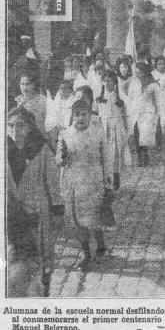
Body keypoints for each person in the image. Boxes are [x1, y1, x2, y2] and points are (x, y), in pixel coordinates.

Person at [7, 106, 58, 296]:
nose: (15, 131)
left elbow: (52, 181)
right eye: (10, 126)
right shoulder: (5, 150)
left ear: (30, 127)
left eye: (20, 125)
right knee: (17, 260)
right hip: (14, 216)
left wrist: (57, 209)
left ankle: (44, 289)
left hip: (38, 211)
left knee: (43, 255)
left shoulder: (42, 148)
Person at [56, 98, 109, 269]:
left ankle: (100, 246)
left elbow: (107, 157)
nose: (80, 118)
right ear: (72, 115)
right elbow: (59, 161)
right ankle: (86, 254)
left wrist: (109, 179)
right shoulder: (65, 134)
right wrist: (61, 157)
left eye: (84, 114)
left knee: (93, 217)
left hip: (94, 181)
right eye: (77, 115)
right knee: (77, 220)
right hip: (73, 182)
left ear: (90, 115)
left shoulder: (98, 132)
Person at [97, 70, 132, 190]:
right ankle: (106, 180)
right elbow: (97, 116)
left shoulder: (119, 99)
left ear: (115, 83)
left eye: (110, 81)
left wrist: (125, 132)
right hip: (104, 129)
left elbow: (125, 116)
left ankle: (116, 179)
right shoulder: (99, 99)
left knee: (115, 154)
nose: (107, 84)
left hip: (116, 128)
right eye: (105, 81)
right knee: (104, 155)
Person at [127, 62, 159, 167]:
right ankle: (139, 155)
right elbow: (130, 96)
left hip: (147, 113)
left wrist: (155, 112)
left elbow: (157, 100)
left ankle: (145, 154)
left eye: (140, 73)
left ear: (145, 73)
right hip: (135, 112)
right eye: (136, 73)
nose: (137, 75)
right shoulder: (134, 83)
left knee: (144, 135)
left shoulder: (152, 84)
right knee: (136, 134)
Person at [15, 71, 47, 137]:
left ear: (34, 85)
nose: (24, 88)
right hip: (21, 139)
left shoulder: (43, 101)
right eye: (22, 84)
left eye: (27, 84)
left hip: (39, 138)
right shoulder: (17, 100)